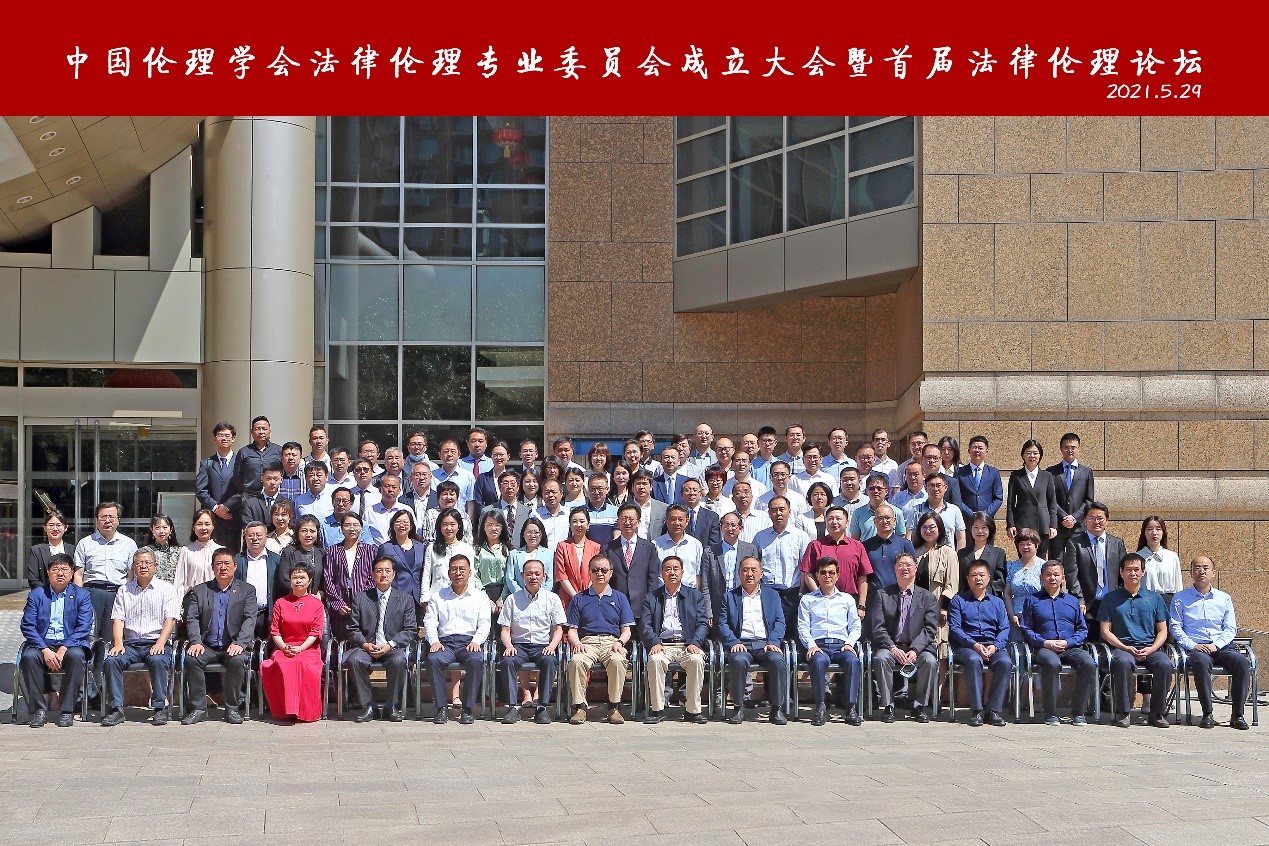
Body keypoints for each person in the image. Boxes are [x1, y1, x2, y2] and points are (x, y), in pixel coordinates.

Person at [101, 548, 180, 727]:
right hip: (130, 643)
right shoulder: (124, 590)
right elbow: (118, 619)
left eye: (147, 563)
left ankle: (160, 707)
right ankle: (116, 709)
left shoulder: (166, 589)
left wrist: (160, 642)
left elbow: (170, 619)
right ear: (133, 567)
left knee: (158, 660)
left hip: (156, 641)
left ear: (155, 565)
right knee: (112, 661)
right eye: (138, 563)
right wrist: (118, 643)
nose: (143, 566)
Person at [1170, 556, 1251, 730]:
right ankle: (1207, 713)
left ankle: (1237, 715)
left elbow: (1230, 628)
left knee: (1242, 663)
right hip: (1196, 648)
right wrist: (1192, 645)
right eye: (1197, 568)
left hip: (1221, 647)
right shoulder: (1180, 598)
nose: (1202, 571)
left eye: (1206, 568)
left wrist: (1217, 645)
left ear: (1213, 572)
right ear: (1191, 573)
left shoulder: (1224, 598)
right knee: (1201, 662)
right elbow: (1175, 627)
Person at [180, 548, 258, 725]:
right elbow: (192, 618)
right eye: (219, 564)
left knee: (237, 661)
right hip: (207, 645)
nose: (223, 567)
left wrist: (240, 643)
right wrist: (195, 641)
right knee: (192, 659)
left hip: (234, 644)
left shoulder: (247, 590)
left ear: (235, 566)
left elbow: (250, 619)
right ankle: (199, 709)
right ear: (212, 567)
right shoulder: (200, 590)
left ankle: (232, 709)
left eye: (227, 563)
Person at [1098, 553, 1172, 728]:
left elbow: (1163, 630)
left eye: (1137, 570)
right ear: (1121, 572)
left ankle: (1157, 714)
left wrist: (1152, 649)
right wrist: (1125, 647)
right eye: (1129, 570)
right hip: (1122, 648)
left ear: (1143, 572)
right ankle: (1123, 713)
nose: (1133, 573)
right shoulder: (1110, 599)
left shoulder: (1154, 598)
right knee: (1123, 662)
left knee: (1165, 664)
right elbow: (1105, 631)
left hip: (1150, 648)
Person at [19, 553, 94, 728]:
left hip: (70, 644)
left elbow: (84, 627)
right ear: (48, 572)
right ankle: (39, 710)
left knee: (76, 657)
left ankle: (67, 710)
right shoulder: (37, 594)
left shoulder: (82, 595)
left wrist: (64, 648)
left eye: (64, 569)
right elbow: (27, 626)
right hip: (43, 644)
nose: (60, 573)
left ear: (72, 573)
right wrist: (45, 649)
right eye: (55, 569)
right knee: (29, 657)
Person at [1018, 560, 1095, 726]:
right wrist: (1045, 642)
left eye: (1056, 574)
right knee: (1052, 663)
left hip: (1070, 647)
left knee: (1089, 663)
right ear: (1041, 578)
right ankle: (1050, 713)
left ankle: (1079, 713)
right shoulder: (1032, 600)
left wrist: (1068, 642)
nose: (1052, 578)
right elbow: (1026, 629)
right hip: (1044, 648)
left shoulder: (1072, 601)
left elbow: (1082, 630)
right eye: (1048, 575)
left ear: (1063, 578)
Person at [867, 551, 939, 723]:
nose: (904, 568)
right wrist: (892, 648)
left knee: (930, 661)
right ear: (894, 569)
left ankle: (919, 706)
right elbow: (878, 627)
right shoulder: (883, 595)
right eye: (900, 565)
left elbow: (930, 628)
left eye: (908, 565)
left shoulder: (928, 597)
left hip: (918, 648)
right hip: (891, 646)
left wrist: (915, 650)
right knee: (881, 658)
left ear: (915, 568)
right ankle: (888, 705)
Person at [345, 556, 416, 722]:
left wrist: (390, 645)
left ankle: (391, 705)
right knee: (354, 660)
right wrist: (365, 644)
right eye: (379, 571)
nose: (383, 574)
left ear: (393, 574)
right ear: (372, 574)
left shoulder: (405, 599)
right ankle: (369, 705)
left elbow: (410, 629)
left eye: (387, 571)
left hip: (392, 647)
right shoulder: (361, 598)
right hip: (366, 646)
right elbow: (352, 628)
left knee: (399, 660)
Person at [565, 554, 635, 725]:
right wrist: (577, 643)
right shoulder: (579, 598)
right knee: (576, 661)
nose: (599, 574)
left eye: (604, 570)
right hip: (587, 642)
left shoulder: (620, 598)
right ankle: (580, 707)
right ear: (589, 572)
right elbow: (572, 630)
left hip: (612, 642)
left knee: (618, 661)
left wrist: (620, 642)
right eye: (595, 570)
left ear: (611, 573)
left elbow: (626, 630)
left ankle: (614, 707)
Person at [719, 556, 788, 725]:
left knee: (778, 661)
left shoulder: (772, 595)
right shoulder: (729, 597)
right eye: (745, 570)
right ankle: (738, 707)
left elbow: (780, 621)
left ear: (761, 573)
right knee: (738, 661)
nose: (749, 574)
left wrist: (774, 641)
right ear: (739, 574)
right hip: (741, 644)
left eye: (753, 570)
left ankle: (776, 708)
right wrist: (733, 642)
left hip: (765, 643)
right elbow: (722, 624)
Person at [641, 555, 710, 724]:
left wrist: (695, 642)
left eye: (675, 569)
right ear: (661, 573)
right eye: (667, 569)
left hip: (687, 645)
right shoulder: (652, 597)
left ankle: (692, 710)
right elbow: (645, 625)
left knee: (696, 660)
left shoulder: (695, 596)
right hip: (662, 645)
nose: (672, 572)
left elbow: (703, 623)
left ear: (682, 572)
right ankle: (658, 709)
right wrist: (655, 642)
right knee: (655, 660)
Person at [499, 558, 565, 724]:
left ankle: (542, 707)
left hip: (542, 645)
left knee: (549, 661)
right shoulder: (512, 599)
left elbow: (558, 629)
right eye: (529, 574)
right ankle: (512, 707)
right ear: (522, 576)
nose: (533, 577)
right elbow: (505, 630)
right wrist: (509, 646)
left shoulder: (552, 599)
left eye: (537, 574)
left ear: (544, 576)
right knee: (507, 661)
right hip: (519, 645)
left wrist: (552, 646)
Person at [798, 557, 863, 726]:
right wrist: (811, 645)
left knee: (853, 661)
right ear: (817, 576)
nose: (827, 576)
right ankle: (820, 707)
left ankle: (851, 708)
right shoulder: (807, 600)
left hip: (842, 646)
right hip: (818, 646)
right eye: (823, 573)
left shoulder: (847, 599)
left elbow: (855, 625)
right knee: (818, 662)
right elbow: (803, 626)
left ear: (837, 575)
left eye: (831, 573)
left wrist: (849, 643)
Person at [425, 555, 489, 725]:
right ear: (448, 573)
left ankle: (467, 708)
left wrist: (476, 641)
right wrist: (434, 641)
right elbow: (430, 622)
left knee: (476, 660)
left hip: (469, 642)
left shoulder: (479, 596)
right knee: (433, 660)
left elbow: (484, 623)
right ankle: (441, 708)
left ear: (470, 572)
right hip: (444, 643)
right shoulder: (438, 596)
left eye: (462, 569)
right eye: (454, 569)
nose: (458, 573)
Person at [948, 561, 1013, 727]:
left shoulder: (998, 602)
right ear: (967, 579)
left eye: (982, 575)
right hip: (967, 647)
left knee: (1005, 662)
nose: (978, 578)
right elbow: (955, 628)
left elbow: (1004, 628)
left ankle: (993, 710)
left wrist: (995, 646)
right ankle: (977, 710)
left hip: (993, 645)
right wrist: (974, 645)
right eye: (974, 575)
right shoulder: (958, 601)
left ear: (989, 578)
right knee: (973, 660)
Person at [260, 561, 326, 723]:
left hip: (308, 648)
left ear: (309, 580)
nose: (298, 581)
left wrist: (300, 648)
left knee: (303, 664)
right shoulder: (280, 603)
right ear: (290, 580)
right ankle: (286, 711)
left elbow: (315, 632)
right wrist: (284, 647)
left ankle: (305, 711)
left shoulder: (317, 604)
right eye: (295, 577)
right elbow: (275, 631)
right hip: (284, 647)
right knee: (282, 664)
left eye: (302, 577)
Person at [74, 501, 138, 639]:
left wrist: (127, 596)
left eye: (111, 517)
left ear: (118, 520)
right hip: (91, 593)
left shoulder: (129, 544)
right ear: (96, 520)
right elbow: (78, 575)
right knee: (88, 634)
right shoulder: (85, 543)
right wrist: (77, 598)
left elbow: (131, 575)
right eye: (103, 517)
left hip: (117, 594)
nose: (107, 520)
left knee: (112, 636)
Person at [1062, 502, 1127, 632]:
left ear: (1107, 520)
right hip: (1087, 605)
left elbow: (1123, 573)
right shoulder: (1075, 543)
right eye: (1092, 518)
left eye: (1100, 518)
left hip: (1113, 603)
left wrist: (1120, 597)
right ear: (1085, 520)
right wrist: (1079, 599)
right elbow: (1071, 575)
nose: (1096, 522)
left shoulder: (1117, 543)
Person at [798, 506, 871, 612]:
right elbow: (808, 574)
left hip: (850, 602)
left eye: (838, 518)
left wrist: (861, 605)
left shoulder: (857, 546)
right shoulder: (815, 545)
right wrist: (819, 597)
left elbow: (862, 577)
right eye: (830, 519)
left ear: (847, 522)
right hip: (822, 603)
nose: (834, 522)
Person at [754, 496, 812, 626]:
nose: (778, 513)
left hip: (792, 594)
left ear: (789, 512)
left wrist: (801, 592)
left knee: (791, 632)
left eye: (782, 509)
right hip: (768, 593)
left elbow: (806, 568)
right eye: (774, 510)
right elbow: (755, 565)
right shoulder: (760, 537)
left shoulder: (800, 536)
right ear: (769, 513)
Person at [322, 512, 378, 642]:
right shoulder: (332, 551)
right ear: (341, 529)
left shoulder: (370, 550)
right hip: (340, 602)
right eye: (347, 525)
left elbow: (373, 577)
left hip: (364, 602)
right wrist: (338, 603)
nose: (351, 528)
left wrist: (363, 601)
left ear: (361, 528)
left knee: (363, 641)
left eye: (355, 525)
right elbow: (328, 578)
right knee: (340, 640)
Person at [701, 511, 761, 631]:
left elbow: (756, 580)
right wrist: (708, 611)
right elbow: (705, 585)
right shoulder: (710, 552)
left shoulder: (750, 549)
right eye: (726, 525)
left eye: (733, 525)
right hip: (718, 606)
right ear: (721, 528)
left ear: (741, 528)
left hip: (743, 602)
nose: (730, 528)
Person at [912, 512, 958, 654]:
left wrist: (944, 608)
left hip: (938, 608)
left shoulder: (949, 553)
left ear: (940, 528)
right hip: (916, 608)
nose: (928, 531)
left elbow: (952, 584)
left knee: (940, 647)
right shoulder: (914, 552)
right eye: (924, 527)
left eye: (932, 527)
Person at [605, 502, 659, 622]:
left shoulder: (649, 547)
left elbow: (653, 578)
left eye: (631, 519)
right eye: (624, 519)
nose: (627, 522)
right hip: (616, 606)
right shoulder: (608, 548)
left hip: (642, 606)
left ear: (638, 522)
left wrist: (650, 603)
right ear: (618, 522)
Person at [1005, 439, 1059, 558]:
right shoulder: (1016, 476)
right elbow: (1010, 503)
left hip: (1043, 524)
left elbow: (1052, 502)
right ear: (1023, 455)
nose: (1032, 456)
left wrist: (1053, 525)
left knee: (1041, 559)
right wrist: (1010, 525)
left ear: (1040, 455)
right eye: (1028, 453)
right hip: (1022, 524)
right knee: (1023, 558)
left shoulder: (1047, 476)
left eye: (1035, 453)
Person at [196, 421, 241, 551]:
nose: (224, 438)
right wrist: (216, 508)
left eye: (227, 435)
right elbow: (200, 490)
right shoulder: (207, 463)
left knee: (231, 555)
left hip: (233, 518)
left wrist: (227, 506)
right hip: (212, 520)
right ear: (215, 439)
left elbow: (244, 489)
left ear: (233, 439)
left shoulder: (241, 463)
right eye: (220, 435)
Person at [1048, 432, 1095, 557]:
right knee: (1056, 561)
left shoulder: (1086, 472)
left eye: (1073, 447)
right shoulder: (1051, 472)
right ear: (1061, 449)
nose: (1070, 450)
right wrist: (1064, 517)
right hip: (1057, 526)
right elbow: (1050, 499)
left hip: (1078, 527)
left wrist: (1074, 517)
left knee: (1078, 562)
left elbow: (1089, 500)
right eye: (1066, 447)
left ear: (1078, 449)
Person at [422, 507, 480, 605]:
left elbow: (471, 577)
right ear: (439, 526)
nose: (448, 528)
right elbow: (426, 575)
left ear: (459, 526)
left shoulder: (467, 549)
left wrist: (471, 598)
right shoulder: (431, 548)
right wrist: (425, 599)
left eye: (452, 524)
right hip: (437, 599)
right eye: (445, 524)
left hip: (461, 599)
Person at [234, 521, 281, 637]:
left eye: (259, 535)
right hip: (243, 616)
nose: (255, 538)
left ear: (266, 537)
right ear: (245, 537)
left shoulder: (276, 560)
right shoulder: (237, 560)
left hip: (267, 615)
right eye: (250, 535)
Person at [553, 507, 600, 609]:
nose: (578, 525)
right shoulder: (562, 546)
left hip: (590, 597)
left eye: (582, 521)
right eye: (574, 521)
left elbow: (596, 573)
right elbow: (561, 575)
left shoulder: (596, 547)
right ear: (570, 525)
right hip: (567, 598)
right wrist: (575, 596)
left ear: (588, 524)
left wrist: (586, 595)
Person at [173, 510, 225, 603]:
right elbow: (179, 582)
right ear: (193, 527)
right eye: (199, 524)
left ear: (213, 526)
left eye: (207, 524)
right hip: (192, 602)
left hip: (215, 601)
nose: (203, 528)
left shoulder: (221, 551)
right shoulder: (186, 551)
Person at [862, 504, 917, 591]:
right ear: (875, 521)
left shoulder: (905, 544)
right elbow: (862, 575)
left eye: (887, 518)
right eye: (880, 518)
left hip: (899, 595)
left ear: (894, 521)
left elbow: (913, 571)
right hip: (873, 595)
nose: (884, 521)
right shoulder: (865, 546)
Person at [1004, 529, 1046, 641]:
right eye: (1022, 544)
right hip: (1016, 618)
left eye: (1029, 544)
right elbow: (1007, 593)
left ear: (1036, 545)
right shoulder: (1011, 566)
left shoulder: (1044, 566)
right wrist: (1011, 615)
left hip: (1038, 616)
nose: (1025, 547)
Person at [379, 509, 426, 609]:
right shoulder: (386, 548)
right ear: (393, 525)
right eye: (398, 522)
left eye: (405, 522)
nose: (402, 525)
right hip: (395, 599)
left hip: (417, 599)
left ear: (411, 525)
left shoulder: (420, 547)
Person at [231, 415, 283, 504]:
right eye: (257, 429)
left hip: (272, 497)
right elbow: (237, 477)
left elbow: (283, 472)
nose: (261, 432)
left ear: (270, 431)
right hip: (248, 498)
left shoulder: (278, 450)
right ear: (251, 432)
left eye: (264, 429)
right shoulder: (244, 452)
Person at [654, 504, 705, 589]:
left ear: (687, 521)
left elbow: (698, 574)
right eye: (672, 519)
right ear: (666, 521)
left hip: (689, 593)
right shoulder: (656, 545)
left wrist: (696, 594)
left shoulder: (696, 545)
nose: (677, 523)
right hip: (663, 593)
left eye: (680, 519)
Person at [959, 511, 1007, 598]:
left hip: (990, 598)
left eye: (984, 527)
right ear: (970, 529)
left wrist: (985, 595)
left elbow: (999, 581)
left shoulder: (998, 553)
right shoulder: (962, 553)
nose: (980, 531)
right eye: (976, 527)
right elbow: (960, 580)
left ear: (990, 529)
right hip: (966, 599)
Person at [1138, 516, 1183, 606]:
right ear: (1144, 533)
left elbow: (1178, 585)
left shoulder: (1172, 556)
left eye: (1158, 529)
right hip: (1144, 602)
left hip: (1168, 602)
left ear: (1163, 532)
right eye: (1149, 529)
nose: (1154, 533)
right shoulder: (1137, 557)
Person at [955, 435, 1004, 520]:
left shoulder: (993, 472)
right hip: (966, 519)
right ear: (969, 451)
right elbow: (956, 497)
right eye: (974, 447)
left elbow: (998, 498)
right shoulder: (959, 472)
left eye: (980, 448)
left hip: (987, 519)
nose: (977, 450)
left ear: (986, 451)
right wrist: (970, 514)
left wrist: (986, 514)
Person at [278, 515, 325, 600]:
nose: (308, 535)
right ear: (297, 533)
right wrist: (303, 594)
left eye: (312, 531)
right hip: (293, 599)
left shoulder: (322, 553)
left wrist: (321, 594)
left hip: (316, 600)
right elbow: (284, 579)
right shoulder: (288, 552)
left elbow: (325, 579)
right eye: (304, 531)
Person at [849, 473, 907, 541]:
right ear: (867, 491)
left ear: (886, 491)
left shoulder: (897, 512)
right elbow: (855, 540)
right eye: (872, 488)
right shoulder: (858, 513)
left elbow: (901, 538)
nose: (875, 491)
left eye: (879, 488)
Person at [505, 516, 553, 597]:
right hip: (519, 597)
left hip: (542, 598)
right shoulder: (514, 554)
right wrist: (522, 595)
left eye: (536, 532)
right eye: (529, 532)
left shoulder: (550, 554)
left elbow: (550, 580)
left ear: (541, 535)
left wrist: (541, 595)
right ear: (523, 534)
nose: (532, 535)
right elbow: (510, 579)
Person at [917, 473, 965, 550]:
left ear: (945, 488)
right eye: (932, 485)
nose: (935, 489)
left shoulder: (954, 510)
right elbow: (911, 536)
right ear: (926, 488)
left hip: (948, 555)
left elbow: (961, 538)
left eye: (938, 485)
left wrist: (958, 555)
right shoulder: (917, 510)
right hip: (923, 555)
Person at [473, 506, 511, 605]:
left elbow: (510, 575)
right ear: (484, 527)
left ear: (502, 528)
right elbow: (474, 575)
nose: (493, 528)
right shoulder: (477, 550)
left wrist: (502, 598)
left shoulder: (508, 550)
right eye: (490, 525)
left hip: (504, 593)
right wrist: (484, 598)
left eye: (497, 525)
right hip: (482, 593)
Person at [27, 511, 72, 589]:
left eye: (59, 525)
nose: (55, 529)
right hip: (43, 593)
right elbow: (33, 579)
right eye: (51, 525)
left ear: (66, 528)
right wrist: (49, 593)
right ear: (45, 528)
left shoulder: (73, 550)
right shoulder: (36, 550)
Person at [364, 474, 409, 546]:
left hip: (401, 550)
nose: (390, 490)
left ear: (399, 490)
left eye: (394, 487)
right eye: (387, 486)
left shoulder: (406, 510)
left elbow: (412, 533)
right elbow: (364, 535)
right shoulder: (370, 512)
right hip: (376, 551)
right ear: (380, 489)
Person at [239, 463, 286, 528]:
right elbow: (248, 527)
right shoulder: (250, 504)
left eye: (276, 479)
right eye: (268, 479)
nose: (272, 482)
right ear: (262, 478)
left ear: (281, 480)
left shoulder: (287, 503)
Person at [679, 478, 721, 549]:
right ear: (681, 495)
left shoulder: (712, 517)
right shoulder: (676, 516)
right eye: (687, 490)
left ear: (701, 494)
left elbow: (714, 545)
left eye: (695, 490)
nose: (692, 493)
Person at [146, 515, 182, 583]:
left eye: (165, 527)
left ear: (171, 529)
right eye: (157, 528)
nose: (161, 531)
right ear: (152, 530)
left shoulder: (180, 552)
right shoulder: (145, 552)